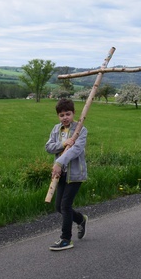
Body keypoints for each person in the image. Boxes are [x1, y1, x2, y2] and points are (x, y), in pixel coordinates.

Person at [46, 98, 89, 251]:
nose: (65, 117)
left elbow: (76, 150)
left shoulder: (81, 129)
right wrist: (63, 144)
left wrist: (59, 162)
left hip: (75, 174)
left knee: (65, 205)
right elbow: (49, 147)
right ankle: (80, 219)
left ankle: (66, 239)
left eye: (68, 114)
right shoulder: (56, 129)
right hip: (60, 174)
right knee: (59, 206)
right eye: (61, 115)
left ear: (74, 113)